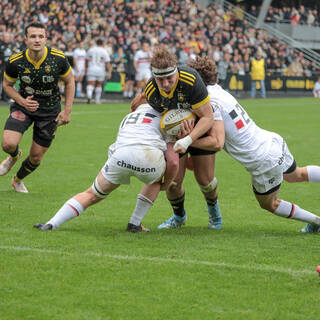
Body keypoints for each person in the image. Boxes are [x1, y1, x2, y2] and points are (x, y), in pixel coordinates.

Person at [180, 56, 320, 233]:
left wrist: (186, 140)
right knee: (296, 174)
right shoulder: (217, 90)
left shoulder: (211, 102)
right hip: (272, 141)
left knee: (270, 203)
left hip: (262, 159)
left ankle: (316, 221)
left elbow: (217, 142)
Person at [34, 104, 179, 232]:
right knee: (154, 181)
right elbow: (173, 162)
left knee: (92, 194)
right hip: (149, 160)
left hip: (121, 156)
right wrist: (165, 185)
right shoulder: (168, 118)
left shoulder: (129, 116)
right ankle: (134, 224)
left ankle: (52, 223)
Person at [131, 46, 222, 230]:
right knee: (172, 183)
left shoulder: (190, 79)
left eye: (169, 78)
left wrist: (188, 140)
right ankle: (179, 217)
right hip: (174, 133)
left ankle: (214, 214)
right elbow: (158, 120)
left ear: (176, 72)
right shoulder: (151, 90)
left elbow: (207, 117)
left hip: (200, 127)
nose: (165, 83)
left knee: (205, 180)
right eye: (160, 79)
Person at [0, 22, 75, 193]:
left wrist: (67, 110)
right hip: (24, 106)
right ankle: (13, 156)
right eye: (33, 36)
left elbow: (70, 81)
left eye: (41, 36)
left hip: (50, 112)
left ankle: (17, 180)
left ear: (46, 39)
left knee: (35, 157)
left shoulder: (58, 58)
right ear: (26, 39)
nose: (37, 40)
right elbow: (7, 85)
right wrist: (22, 101)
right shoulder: (16, 61)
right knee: (8, 144)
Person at [85, 38, 111, 104]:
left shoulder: (91, 50)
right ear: (102, 44)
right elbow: (107, 63)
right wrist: (109, 72)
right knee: (99, 84)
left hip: (91, 69)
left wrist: (86, 68)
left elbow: (86, 60)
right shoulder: (104, 51)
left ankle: (89, 95)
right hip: (101, 70)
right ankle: (97, 100)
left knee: (90, 83)